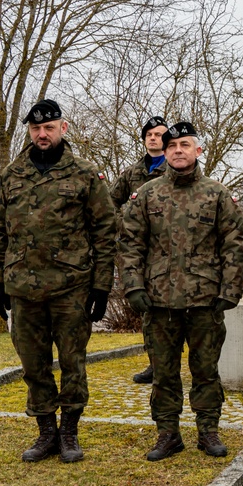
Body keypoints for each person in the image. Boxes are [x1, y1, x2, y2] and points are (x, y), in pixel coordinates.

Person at [0, 98, 116, 463]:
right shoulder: (11, 175)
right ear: (29, 131)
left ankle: (70, 432)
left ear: (63, 128)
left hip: (71, 288)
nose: (42, 134)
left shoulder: (85, 174)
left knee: (73, 362)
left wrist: (101, 285)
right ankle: (46, 431)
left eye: (49, 127)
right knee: (33, 363)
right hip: (23, 288)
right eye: (35, 128)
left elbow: (106, 231)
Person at [119, 121, 243, 462]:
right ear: (165, 150)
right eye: (172, 145)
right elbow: (130, 243)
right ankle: (168, 433)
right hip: (159, 301)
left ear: (197, 150)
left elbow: (234, 246)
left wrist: (229, 290)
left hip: (206, 301)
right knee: (163, 372)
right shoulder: (147, 195)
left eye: (185, 145)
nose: (178, 151)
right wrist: (133, 286)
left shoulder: (217, 194)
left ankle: (208, 431)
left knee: (206, 370)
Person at [109, 116, 169, 385]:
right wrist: (124, 225)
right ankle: (155, 364)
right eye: (149, 135)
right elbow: (107, 202)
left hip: (172, 250)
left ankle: (180, 364)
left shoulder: (175, 168)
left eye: (159, 134)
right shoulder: (132, 174)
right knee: (149, 311)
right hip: (141, 253)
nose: (154, 138)